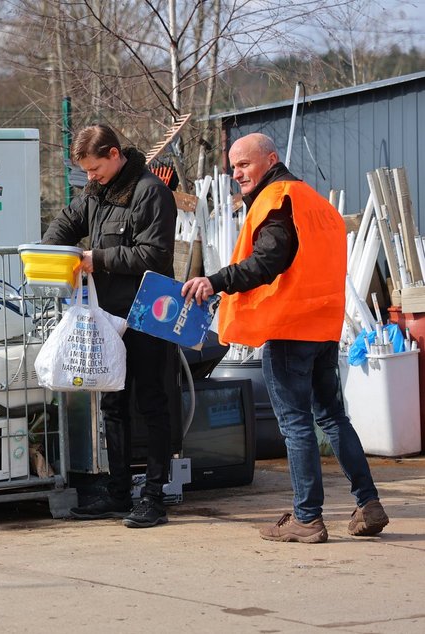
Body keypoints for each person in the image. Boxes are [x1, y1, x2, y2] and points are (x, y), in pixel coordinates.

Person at [182, 132, 389, 543]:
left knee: (295, 425)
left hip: (289, 327)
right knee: (331, 417)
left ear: (270, 159)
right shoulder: (316, 203)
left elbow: (268, 261)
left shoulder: (276, 200)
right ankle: (368, 504)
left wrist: (216, 280)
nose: (236, 172)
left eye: (244, 164)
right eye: (233, 165)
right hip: (322, 326)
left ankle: (307, 518)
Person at [42, 123, 177, 528]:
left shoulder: (151, 192)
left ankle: (154, 494)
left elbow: (153, 254)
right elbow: (67, 222)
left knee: (153, 401)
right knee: (113, 402)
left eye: (95, 168)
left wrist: (96, 259)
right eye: (86, 171)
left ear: (115, 154)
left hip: (148, 313)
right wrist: (48, 253)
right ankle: (118, 492)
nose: (90, 177)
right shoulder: (96, 193)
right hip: (109, 316)